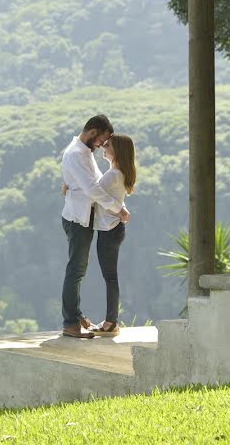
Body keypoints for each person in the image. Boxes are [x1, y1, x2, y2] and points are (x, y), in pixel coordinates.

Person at [60, 115, 129, 339]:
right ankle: (70, 324)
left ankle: (75, 315)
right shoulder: (76, 154)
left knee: (79, 271)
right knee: (76, 271)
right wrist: (117, 208)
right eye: (102, 140)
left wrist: (70, 187)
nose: (102, 145)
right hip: (78, 219)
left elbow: (97, 181)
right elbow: (93, 189)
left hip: (87, 218)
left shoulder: (84, 152)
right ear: (92, 133)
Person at [89, 133, 136, 337]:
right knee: (111, 277)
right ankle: (111, 320)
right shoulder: (118, 173)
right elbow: (113, 197)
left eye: (107, 145)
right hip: (114, 229)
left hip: (108, 230)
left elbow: (93, 194)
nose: (103, 147)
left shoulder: (112, 175)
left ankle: (110, 322)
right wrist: (121, 209)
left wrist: (69, 187)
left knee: (110, 277)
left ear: (116, 150)